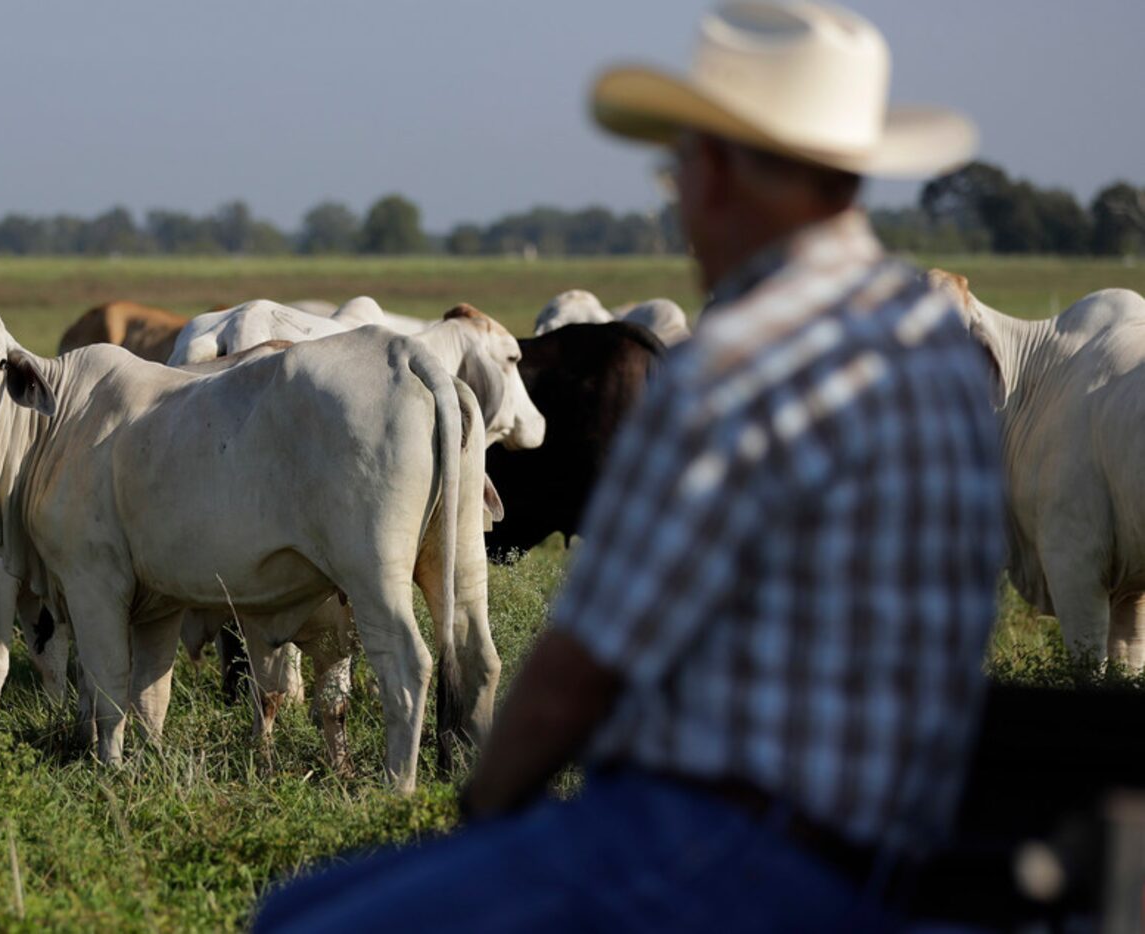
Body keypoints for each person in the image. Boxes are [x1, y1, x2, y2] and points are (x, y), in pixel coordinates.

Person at [255, 3, 1005, 930]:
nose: (678, 196)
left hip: (719, 843)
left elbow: (578, 671)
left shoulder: (735, 367)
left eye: (681, 164)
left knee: (304, 917)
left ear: (723, 171)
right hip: (899, 840)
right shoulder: (938, 350)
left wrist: (482, 821)